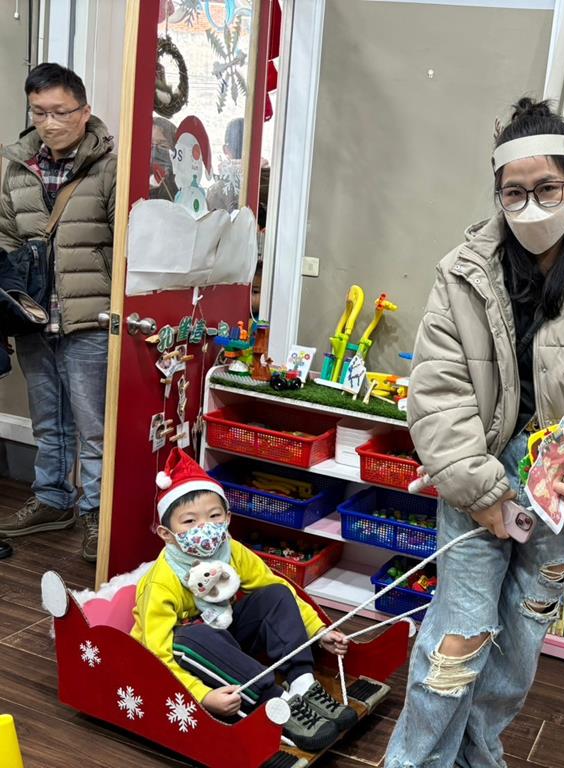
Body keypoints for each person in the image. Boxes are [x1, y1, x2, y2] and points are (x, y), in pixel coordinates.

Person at [384, 98, 564, 768]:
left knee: (520, 640)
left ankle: (477, 757)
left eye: (547, 188)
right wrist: (479, 490)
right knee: (461, 636)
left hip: (561, 480)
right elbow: (438, 389)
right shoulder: (463, 270)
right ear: (498, 193)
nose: (531, 206)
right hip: (478, 471)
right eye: (515, 192)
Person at [131, 448, 352, 752]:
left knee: (276, 593)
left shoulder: (230, 549)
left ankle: (302, 682)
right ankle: (276, 701)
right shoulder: (161, 581)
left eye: (214, 516)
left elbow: (272, 585)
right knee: (191, 636)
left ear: (227, 518)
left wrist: (317, 631)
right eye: (189, 521)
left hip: (228, 636)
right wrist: (201, 696)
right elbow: (156, 653)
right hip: (188, 652)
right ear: (166, 534)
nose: (204, 528)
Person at [0, 63, 117, 562]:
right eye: (39, 112)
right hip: (33, 317)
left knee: (94, 426)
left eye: (61, 112)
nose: (50, 123)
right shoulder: (16, 166)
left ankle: (95, 512)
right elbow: (6, 239)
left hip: (90, 317)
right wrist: (12, 302)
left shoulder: (111, 167)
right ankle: (52, 499)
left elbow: (126, 245)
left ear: (84, 111)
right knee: (48, 420)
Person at [150, 115, 179, 201]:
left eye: (163, 146)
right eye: (150, 144)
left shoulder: (179, 185)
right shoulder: (134, 178)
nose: (154, 152)